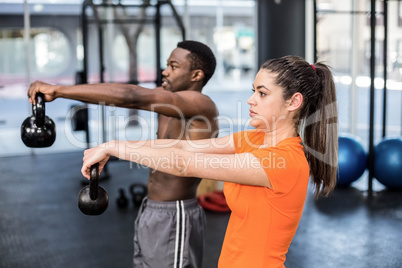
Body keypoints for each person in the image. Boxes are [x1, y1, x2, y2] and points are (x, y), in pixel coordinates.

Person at [80, 55, 339, 268]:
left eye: (262, 93)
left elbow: (184, 164)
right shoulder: (252, 140)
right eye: (253, 91)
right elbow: (183, 146)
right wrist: (108, 147)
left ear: (293, 101)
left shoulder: (284, 162)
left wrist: (115, 148)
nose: (251, 100)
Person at [28, 40, 219, 268]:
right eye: (167, 64)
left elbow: (132, 96)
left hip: (175, 213)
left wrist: (58, 90)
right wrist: (62, 93)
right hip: (152, 209)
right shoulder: (167, 101)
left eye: (174, 66)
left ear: (196, 75)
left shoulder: (202, 105)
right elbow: (121, 96)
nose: (164, 71)